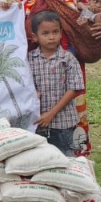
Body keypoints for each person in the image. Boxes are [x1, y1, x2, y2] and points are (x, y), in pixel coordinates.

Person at [20, 0, 101, 154]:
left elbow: (89, 16)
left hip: (71, 64)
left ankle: (74, 156)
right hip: (38, 68)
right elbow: (14, 30)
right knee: (40, 112)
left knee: (72, 109)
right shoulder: (26, 0)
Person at [28, 10, 85, 156]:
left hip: (64, 124)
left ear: (61, 33)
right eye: (45, 33)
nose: (51, 37)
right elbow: (22, 85)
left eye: (55, 32)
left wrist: (51, 114)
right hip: (37, 123)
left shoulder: (68, 59)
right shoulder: (29, 59)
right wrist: (31, 93)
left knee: (66, 160)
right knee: (39, 161)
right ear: (35, 37)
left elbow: (73, 89)